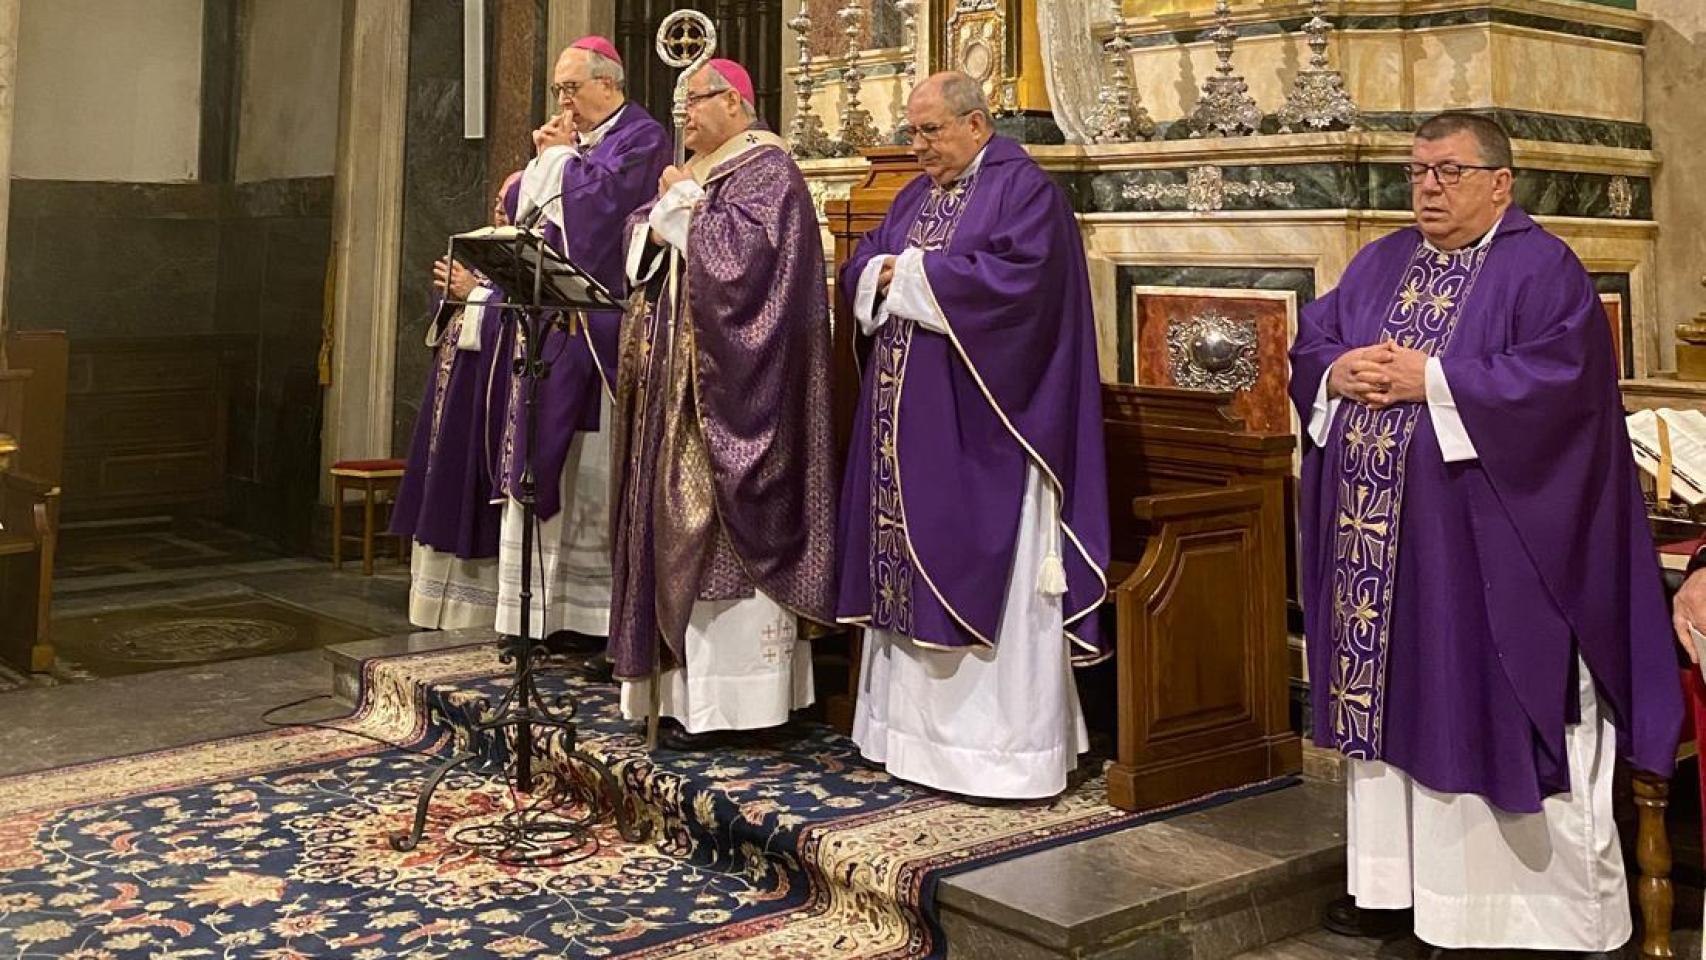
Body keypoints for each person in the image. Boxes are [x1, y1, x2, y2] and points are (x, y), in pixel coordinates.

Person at [1288, 111, 1683, 954]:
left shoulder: (1543, 270)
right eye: (1418, 171)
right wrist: (1335, 370)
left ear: (1501, 183)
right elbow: (1316, 337)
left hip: (1492, 562)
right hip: (1390, 565)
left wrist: (1435, 379)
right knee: (1404, 714)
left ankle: (1530, 924)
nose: (1428, 187)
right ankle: (1405, 896)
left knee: (1477, 706)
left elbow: (1564, 390)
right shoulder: (1383, 260)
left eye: (1449, 171)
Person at [834, 72, 1109, 801]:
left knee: (985, 573)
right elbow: (865, 260)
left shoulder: (1026, 193)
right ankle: (909, 741)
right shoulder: (917, 194)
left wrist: (914, 273)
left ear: (978, 124)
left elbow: (1024, 291)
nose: (917, 146)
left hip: (990, 434)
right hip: (909, 432)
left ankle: (999, 755)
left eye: (930, 132)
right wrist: (883, 271)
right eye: (912, 132)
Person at [608, 58, 836, 749]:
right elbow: (641, 240)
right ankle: (681, 695)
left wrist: (682, 205)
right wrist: (672, 207)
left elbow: (746, 271)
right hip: (673, 397)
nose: (686, 114)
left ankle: (739, 706)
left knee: (718, 540)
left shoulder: (771, 173)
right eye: (681, 102)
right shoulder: (700, 173)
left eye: (698, 99)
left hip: (736, 397)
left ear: (737, 102)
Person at [495, 36, 670, 667]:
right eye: (558, 91)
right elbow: (526, 211)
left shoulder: (642, 139)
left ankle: (591, 616)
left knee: (594, 474)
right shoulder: (579, 143)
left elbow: (601, 216)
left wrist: (559, 161)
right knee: (545, 466)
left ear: (609, 83)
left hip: (598, 337)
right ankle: (538, 613)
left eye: (572, 88)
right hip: (550, 330)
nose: (564, 100)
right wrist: (544, 165)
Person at [389, 172, 522, 629]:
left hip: (487, 400)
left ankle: (473, 610)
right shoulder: (481, 246)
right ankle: (430, 605)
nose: (501, 209)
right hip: (452, 390)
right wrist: (449, 296)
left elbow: (520, 320)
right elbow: (449, 309)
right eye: (498, 200)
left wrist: (475, 295)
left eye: (511, 201)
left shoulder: (526, 256)